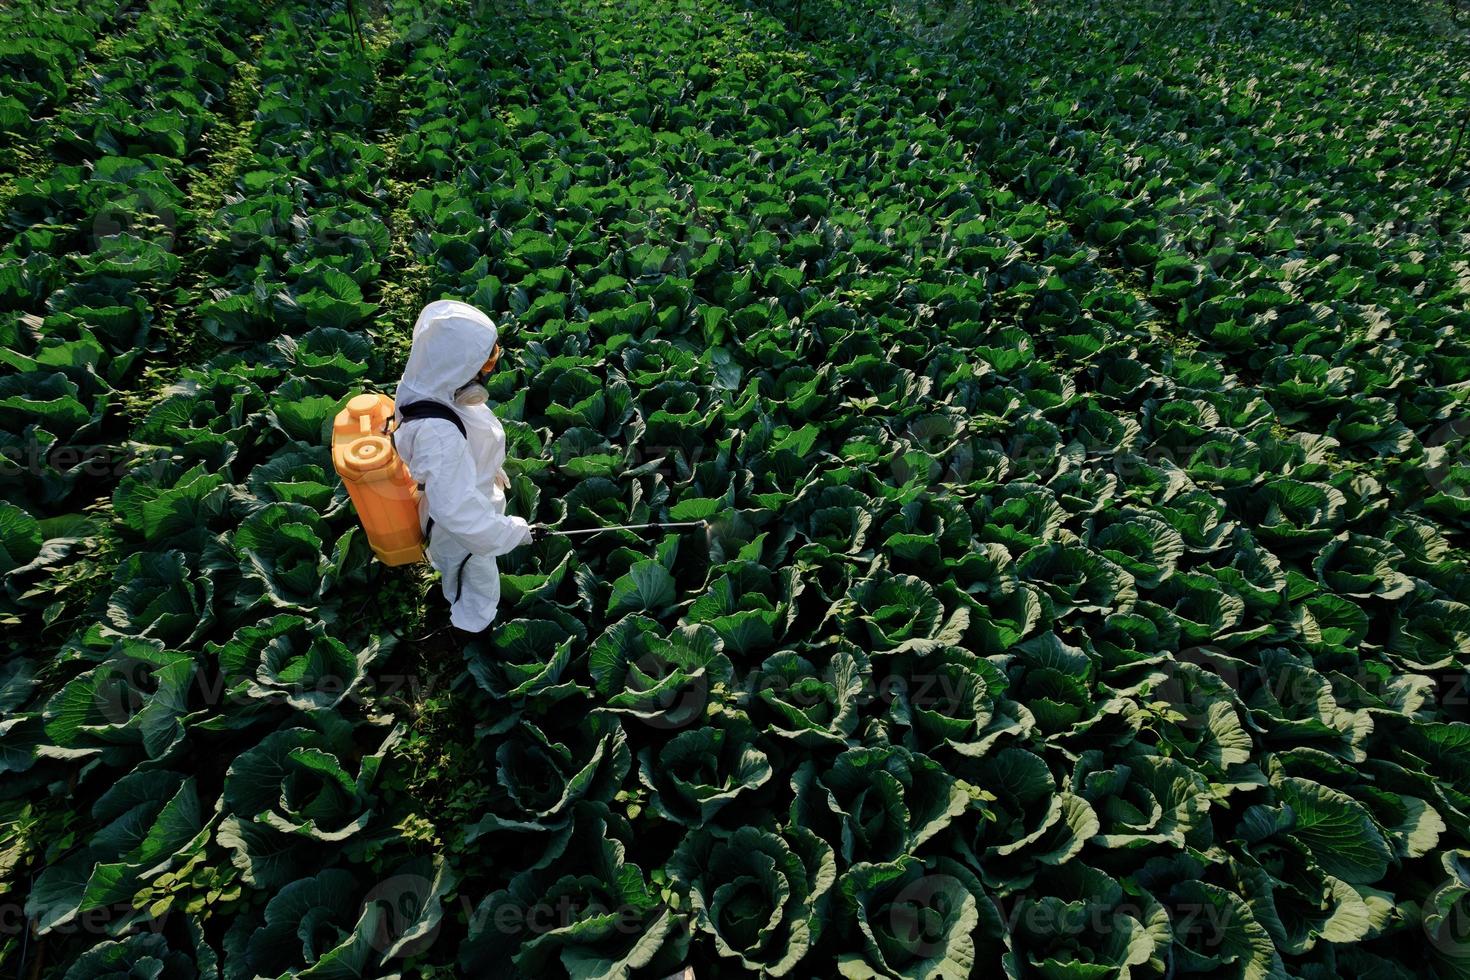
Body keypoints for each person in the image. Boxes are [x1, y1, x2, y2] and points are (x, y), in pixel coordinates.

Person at [393, 299, 535, 639]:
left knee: (472, 561)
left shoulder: (425, 383)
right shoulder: (437, 434)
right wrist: (511, 532)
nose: (487, 370)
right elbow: (457, 512)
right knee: (475, 576)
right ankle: (472, 625)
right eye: (484, 362)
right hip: (459, 531)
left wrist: (486, 468)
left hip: (467, 495)